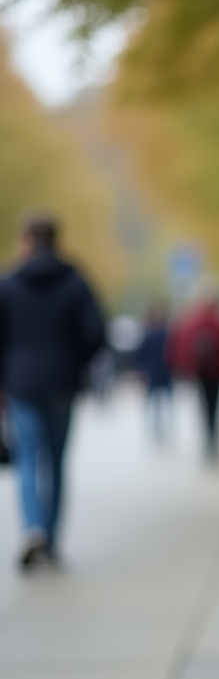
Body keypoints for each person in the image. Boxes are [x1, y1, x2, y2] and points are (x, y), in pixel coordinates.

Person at [0, 212, 106, 570]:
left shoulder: (10, 284)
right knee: (56, 462)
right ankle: (52, 535)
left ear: (28, 240)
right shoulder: (76, 282)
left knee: (28, 456)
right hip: (63, 381)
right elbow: (96, 334)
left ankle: (33, 528)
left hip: (22, 383)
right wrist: (74, 360)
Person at [168, 291, 219, 462]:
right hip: (217, 373)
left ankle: (207, 440)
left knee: (203, 406)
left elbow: (180, 345)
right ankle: (213, 440)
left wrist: (184, 369)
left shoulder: (192, 321)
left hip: (200, 372)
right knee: (215, 407)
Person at [136, 304, 174, 441]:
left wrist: (142, 369)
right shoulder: (165, 334)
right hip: (164, 372)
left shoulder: (148, 335)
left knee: (153, 400)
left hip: (153, 372)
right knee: (165, 400)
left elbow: (140, 355)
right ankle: (165, 425)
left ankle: (155, 425)